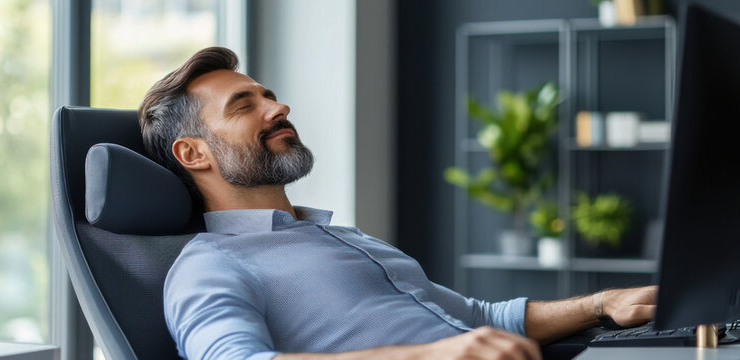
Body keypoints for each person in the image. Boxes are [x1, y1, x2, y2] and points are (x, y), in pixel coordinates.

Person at [139, 47, 656, 360]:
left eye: (268, 94)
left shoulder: (341, 237)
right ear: (193, 153)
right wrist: (436, 354)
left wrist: (600, 305)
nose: (279, 107)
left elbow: (477, 320)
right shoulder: (210, 264)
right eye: (245, 105)